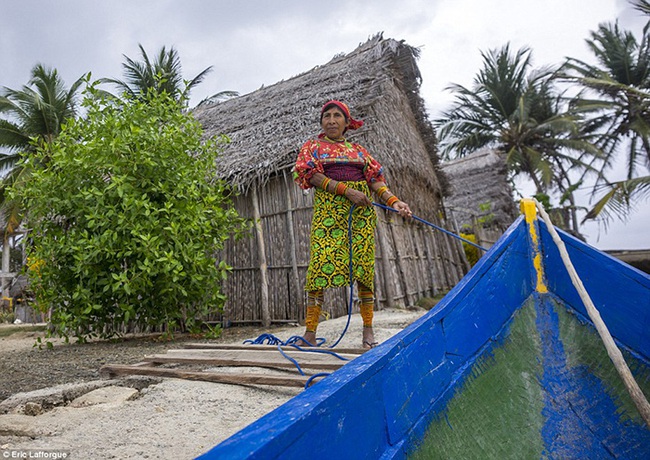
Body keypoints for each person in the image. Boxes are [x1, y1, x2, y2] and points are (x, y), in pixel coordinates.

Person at [292, 100, 412, 349]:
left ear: (347, 123)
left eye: (337, 116)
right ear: (321, 122)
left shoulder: (359, 151)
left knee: (364, 271)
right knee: (318, 271)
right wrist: (347, 192)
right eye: (327, 116)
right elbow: (310, 175)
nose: (331, 120)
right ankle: (310, 333)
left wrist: (396, 201)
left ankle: (368, 331)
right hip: (329, 216)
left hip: (360, 217)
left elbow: (376, 181)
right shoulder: (312, 147)